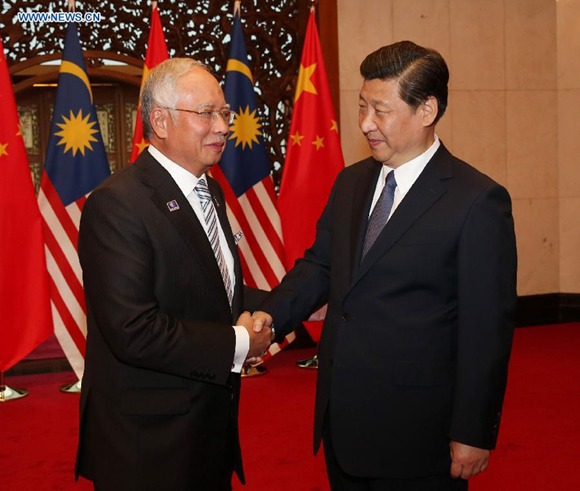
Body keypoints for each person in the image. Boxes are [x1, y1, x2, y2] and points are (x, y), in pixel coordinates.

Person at [253, 41, 517, 490]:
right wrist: (272, 316)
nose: (365, 124)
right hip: (344, 420)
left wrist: (472, 432)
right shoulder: (351, 182)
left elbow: (486, 330)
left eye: (379, 110)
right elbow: (321, 266)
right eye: (361, 106)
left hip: (418, 433)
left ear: (427, 109)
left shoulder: (476, 201)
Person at [75, 58, 273, 491]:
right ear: (160, 121)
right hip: (149, 447)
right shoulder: (117, 204)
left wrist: (277, 309)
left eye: (224, 113)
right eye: (207, 113)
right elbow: (133, 330)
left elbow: (215, 291)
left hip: (206, 430)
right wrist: (240, 342)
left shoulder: (210, 189)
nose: (223, 126)